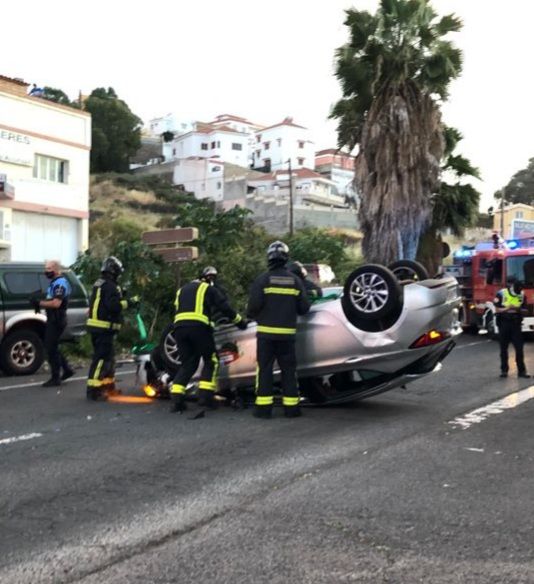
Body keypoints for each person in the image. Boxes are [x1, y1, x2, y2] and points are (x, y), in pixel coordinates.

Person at [170, 266, 247, 413]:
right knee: (211, 360)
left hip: (179, 330)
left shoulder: (182, 290)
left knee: (188, 364)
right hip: (198, 328)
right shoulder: (208, 289)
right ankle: (205, 398)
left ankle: (177, 401)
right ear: (208, 279)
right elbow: (224, 307)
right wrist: (240, 322)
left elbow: (181, 310)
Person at [248, 241, 311, 419]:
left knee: (265, 370)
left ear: (269, 258)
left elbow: (253, 307)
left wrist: (253, 316)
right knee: (289, 371)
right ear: (286, 258)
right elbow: (304, 308)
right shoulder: (296, 281)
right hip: (287, 336)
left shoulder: (262, 280)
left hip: (266, 336)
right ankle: (292, 409)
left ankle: (263, 409)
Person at [86, 256, 138, 400]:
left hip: (97, 328)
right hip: (104, 329)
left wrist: (120, 294)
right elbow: (113, 306)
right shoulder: (111, 286)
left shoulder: (100, 283)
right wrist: (129, 302)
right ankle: (93, 390)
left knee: (109, 359)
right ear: (114, 271)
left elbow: (105, 301)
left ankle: (108, 387)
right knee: (101, 359)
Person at [31, 260, 74, 387]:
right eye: (46, 268)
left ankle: (56, 377)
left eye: (49, 268)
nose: (46, 271)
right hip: (53, 319)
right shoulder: (55, 283)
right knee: (52, 346)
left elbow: (56, 303)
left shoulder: (60, 283)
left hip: (57, 319)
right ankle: (67, 370)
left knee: (50, 347)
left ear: (56, 269)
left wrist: (39, 303)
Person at [494, 276, 530, 379]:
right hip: (504, 323)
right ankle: (504, 370)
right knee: (503, 348)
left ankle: (522, 371)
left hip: (516, 324)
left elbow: (526, 310)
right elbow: (497, 310)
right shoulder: (501, 293)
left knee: (519, 348)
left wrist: (518, 309)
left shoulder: (522, 295)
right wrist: (508, 308)